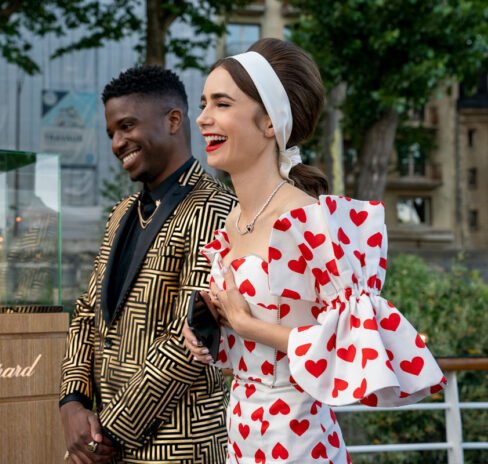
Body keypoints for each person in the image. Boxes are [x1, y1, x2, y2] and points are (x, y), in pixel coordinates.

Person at [183, 38, 447, 463]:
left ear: (270, 123)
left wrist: (248, 325)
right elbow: (249, 349)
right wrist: (214, 330)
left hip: (299, 438)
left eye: (221, 104)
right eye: (203, 104)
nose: (202, 118)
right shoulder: (231, 221)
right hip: (241, 432)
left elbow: (347, 339)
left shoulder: (310, 220)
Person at [60, 66, 238, 464]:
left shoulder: (218, 207)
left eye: (126, 126)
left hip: (178, 450)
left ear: (173, 120)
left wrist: (102, 437)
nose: (117, 143)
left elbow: (191, 340)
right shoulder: (121, 213)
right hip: (104, 445)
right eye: (111, 133)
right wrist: (72, 402)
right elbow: (87, 311)